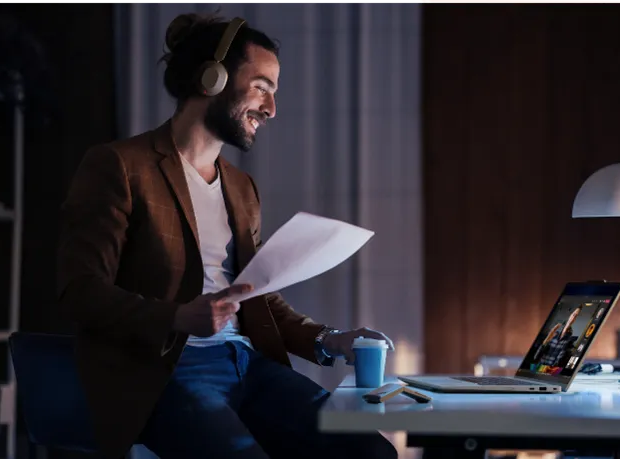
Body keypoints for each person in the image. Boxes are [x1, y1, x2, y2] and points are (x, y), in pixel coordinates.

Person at [56, 12, 398, 459]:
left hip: (247, 364)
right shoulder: (119, 166)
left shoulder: (241, 187)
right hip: (168, 371)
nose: (271, 109)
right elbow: (79, 291)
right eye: (261, 86)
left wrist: (327, 340)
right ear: (211, 79)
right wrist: (178, 317)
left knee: (372, 454)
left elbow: (257, 295)